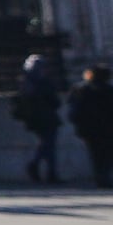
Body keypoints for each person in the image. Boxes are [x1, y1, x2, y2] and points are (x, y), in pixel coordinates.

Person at [71, 64, 113, 188]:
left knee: (97, 155)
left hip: (90, 128)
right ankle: (103, 175)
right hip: (107, 127)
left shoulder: (81, 89)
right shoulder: (108, 89)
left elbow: (76, 110)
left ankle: (101, 176)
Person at [14, 53, 65, 182]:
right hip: (47, 117)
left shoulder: (25, 82)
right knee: (48, 145)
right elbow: (54, 101)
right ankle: (39, 166)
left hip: (34, 119)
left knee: (46, 144)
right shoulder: (44, 82)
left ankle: (47, 171)